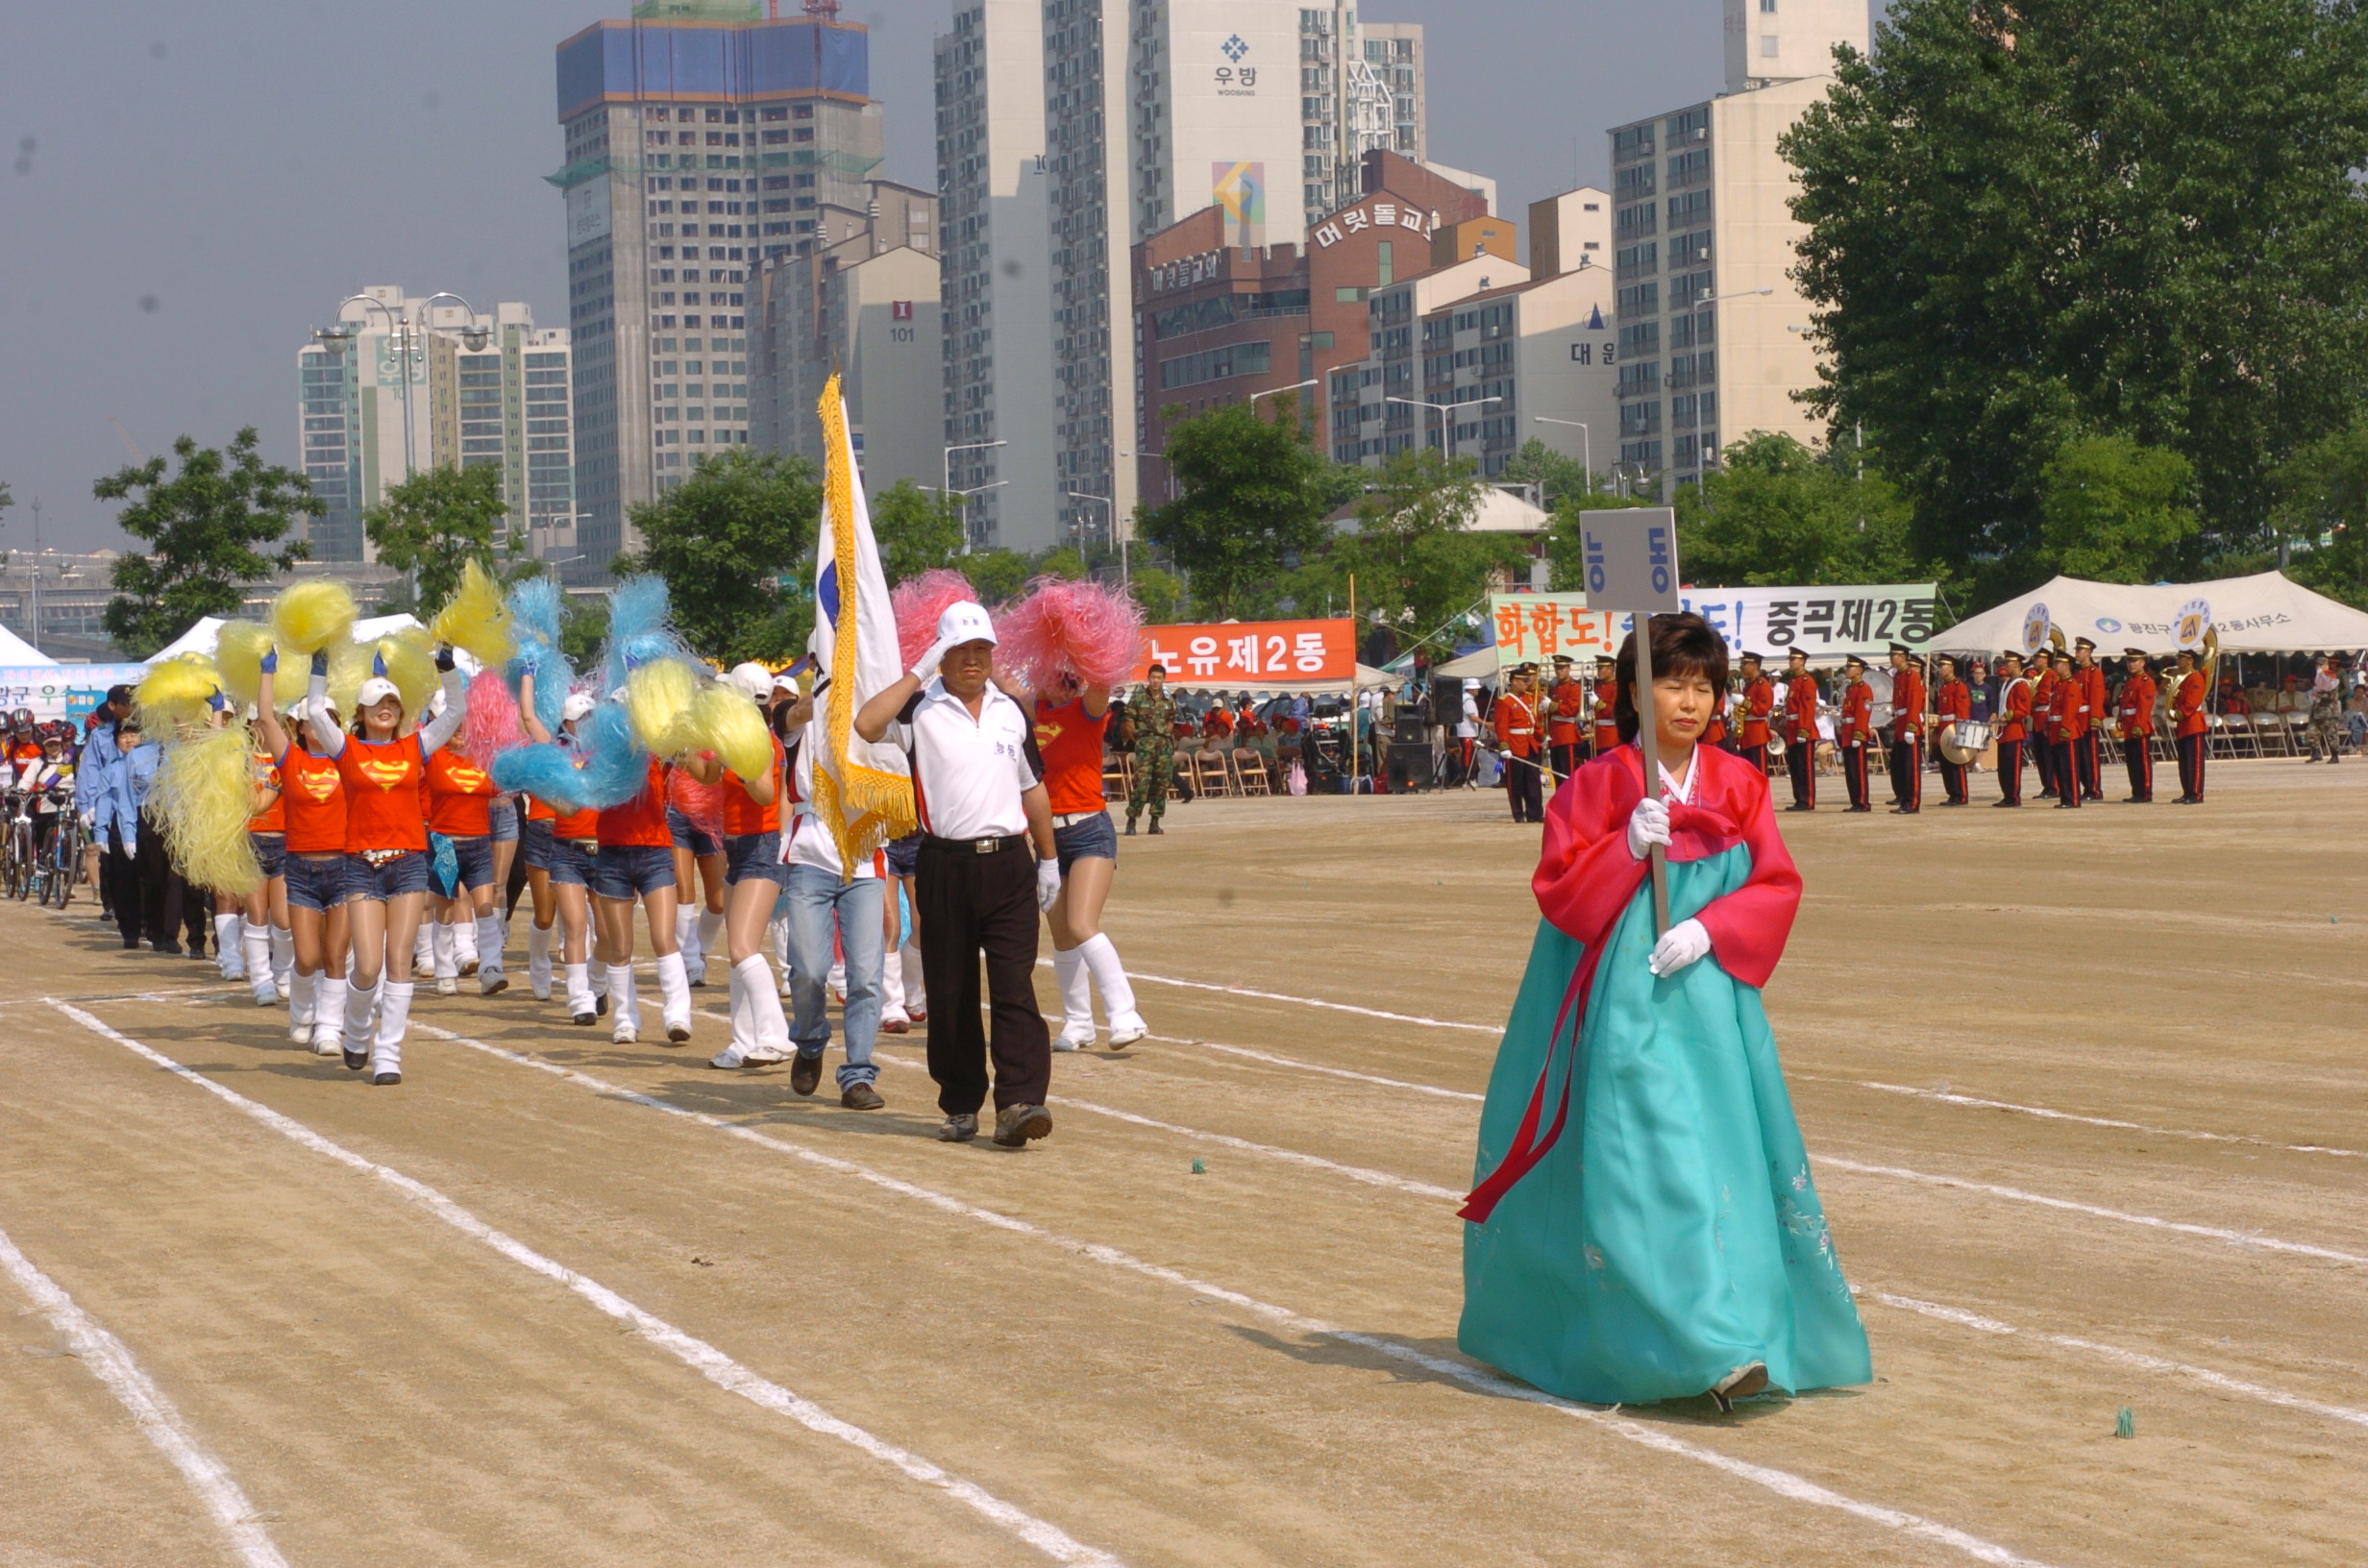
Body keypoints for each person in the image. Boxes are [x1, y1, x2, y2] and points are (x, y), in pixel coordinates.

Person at [1458, 610, 1870, 1410]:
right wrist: (1623, 847)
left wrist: (1712, 926)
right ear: (1634, 693)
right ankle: (1707, 1346)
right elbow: (1561, 896)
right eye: (1672, 683)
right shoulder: (1598, 784)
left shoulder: (1741, 783)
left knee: (1724, 1160)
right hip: (1626, 1011)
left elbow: (1776, 885)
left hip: (1713, 1008)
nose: (1691, 701)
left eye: (1704, 686)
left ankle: (1738, 1327)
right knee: (1655, 1165)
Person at [854, 602, 1061, 1148]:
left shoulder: (1011, 711)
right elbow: (866, 723)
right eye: (959, 651)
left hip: (1009, 864)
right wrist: (919, 671)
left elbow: (1031, 787)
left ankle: (1019, 1102)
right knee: (951, 991)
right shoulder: (918, 711)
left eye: (981, 650)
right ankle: (962, 1103)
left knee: (1015, 985)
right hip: (944, 864)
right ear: (941, 655)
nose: (972, 660)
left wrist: (1049, 857)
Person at [290, 645, 466, 1085]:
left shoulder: (415, 746)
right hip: (361, 867)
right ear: (361, 712)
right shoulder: (344, 748)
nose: (384, 710)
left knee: (398, 960)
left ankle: (388, 1055)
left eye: (391, 704)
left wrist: (446, 669)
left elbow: (455, 711)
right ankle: (356, 1031)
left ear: (400, 711)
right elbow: (314, 708)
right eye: (375, 704)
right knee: (366, 966)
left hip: (407, 864)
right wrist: (319, 668)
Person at [692, 669, 802, 1082]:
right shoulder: (734, 733)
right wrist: (682, 749)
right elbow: (707, 775)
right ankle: (742, 1041)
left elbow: (762, 792)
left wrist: (736, 760)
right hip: (737, 848)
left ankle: (776, 1035)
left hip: (762, 847)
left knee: (741, 948)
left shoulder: (760, 739)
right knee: (742, 950)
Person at [1032, 671, 1148, 1051]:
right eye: (1055, 673)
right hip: (1047, 835)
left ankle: (1125, 1015)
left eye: (1070, 677)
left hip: (1089, 829)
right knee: (1062, 937)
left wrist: (1090, 643)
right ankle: (1079, 1023)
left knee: (1082, 924)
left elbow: (1102, 680)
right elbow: (1001, 678)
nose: (1061, 682)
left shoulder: (1088, 708)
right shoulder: (1031, 710)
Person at [256, 679, 349, 1052]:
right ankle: (301, 1012)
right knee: (307, 957)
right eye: (316, 718)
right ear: (301, 727)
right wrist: (267, 674)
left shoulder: (349, 757)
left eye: (331, 717)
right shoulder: (291, 759)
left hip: (344, 867)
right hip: (301, 870)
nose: (323, 724)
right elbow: (264, 718)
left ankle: (329, 1026)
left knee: (336, 954)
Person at [591, 706, 693, 1047]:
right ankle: (624, 1019)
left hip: (655, 852)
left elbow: (697, 766)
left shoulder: (657, 755)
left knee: (664, 937)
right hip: (612, 855)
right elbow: (577, 799)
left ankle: (678, 1015)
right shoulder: (602, 759)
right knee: (620, 946)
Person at [517, 679, 604, 1025]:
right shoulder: (551, 748)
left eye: (591, 718)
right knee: (548, 916)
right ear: (566, 723)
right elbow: (527, 717)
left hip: (599, 843)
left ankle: (595, 983)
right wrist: (528, 674)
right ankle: (551, 977)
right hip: (548, 835)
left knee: (606, 929)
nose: (587, 725)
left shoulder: (605, 754)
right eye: (580, 719)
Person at [425, 724, 507, 997]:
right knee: (446, 909)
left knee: (485, 906)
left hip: (479, 842)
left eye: (466, 725)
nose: (461, 731)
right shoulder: (433, 756)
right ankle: (446, 970)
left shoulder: (484, 758)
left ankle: (492, 969)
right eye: (455, 725)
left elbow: (500, 790)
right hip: (445, 844)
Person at [237, 721, 290, 1007]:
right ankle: (260, 981)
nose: (266, 731)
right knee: (256, 917)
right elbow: (252, 803)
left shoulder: (290, 757)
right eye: (259, 726)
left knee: (283, 920)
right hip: (252, 841)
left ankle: (282, 975)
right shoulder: (244, 759)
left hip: (285, 842)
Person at [1124, 664, 1176, 835]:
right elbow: (1129, 718)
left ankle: (1155, 821)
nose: (1156, 681)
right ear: (1148, 678)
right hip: (1145, 744)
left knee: (1162, 784)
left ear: (1164, 679)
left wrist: (1166, 732)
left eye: (1159, 678)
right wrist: (1136, 738)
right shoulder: (1139, 696)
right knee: (1142, 783)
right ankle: (1131, 820)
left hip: (1163, 746)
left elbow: (1171, 718)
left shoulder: (1168, 698)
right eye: (1153, 677)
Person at [1494, 664, 1544, 823]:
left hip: (1530, 744)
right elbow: (1501, 725)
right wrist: (1504, 745)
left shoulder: (1528, 698)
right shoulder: (1505, 701)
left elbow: (1533, 721)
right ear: (1514, 681)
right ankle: (1518, 813)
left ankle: (1535, 813)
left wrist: (1542, 736)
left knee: (1533, 780)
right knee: (1516, 782)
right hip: (1515, 745)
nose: (1526, 683)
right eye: (1523, 680)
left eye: (1527, 680)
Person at [1884, 644, 1926, 814]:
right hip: (1901, 723)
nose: (1891, 657)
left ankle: (1913, 803)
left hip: (1910, 725)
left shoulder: (1911, 676)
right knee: (1901, 766)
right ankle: (1905, 800)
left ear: (1903, 657)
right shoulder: (1898, 676)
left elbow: (1915, 703)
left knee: (1911, 768)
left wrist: (1911, 726)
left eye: (1894, 655)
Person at [2043, 651, 2088, 810]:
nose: (2055, 666)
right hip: (2056, 730)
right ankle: (2065, 797)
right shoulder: (2060, 685)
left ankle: (2073, 798)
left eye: (2058, 664)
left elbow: (2070, 710)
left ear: (2067, 665)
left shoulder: (2071, 685)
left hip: (2067, 732)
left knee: (2069, 767)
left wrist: (2065, 728)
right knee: (2060, 767)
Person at [1779, 649, 1817, 811]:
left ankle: (1807, 800)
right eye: (1790, 659)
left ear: (1802, 661)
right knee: (1795, 766)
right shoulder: (1794, 681)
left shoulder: (1807, 681)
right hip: (1793, 728)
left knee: (1805, 767)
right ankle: (1799, 798)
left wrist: (1803, 729)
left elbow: (1807, 708)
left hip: (1803, 730)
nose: (1791, 661)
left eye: (1794, 659)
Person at [1931, 654, 1972, 806]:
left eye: (1943, 666)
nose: (1940, 669)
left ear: (1952, 668)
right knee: (1946, 763)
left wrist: (1960, 732)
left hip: (1953, 727)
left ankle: (1961, 795)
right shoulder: (1944, 687)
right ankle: (1952, 793)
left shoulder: (1958, 686)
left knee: (1956, 762)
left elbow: (1962, 711)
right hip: (1943, 729)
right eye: (1939, 666)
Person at [1992, 651, 2033, 808]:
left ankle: (2014, 796)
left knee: (2012, 766)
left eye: (2008, 663)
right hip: (2004, 731)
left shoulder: (2021, 684)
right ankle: (2007, 794)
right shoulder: (2008, 683)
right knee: (2003, 767)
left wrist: (2008, 716)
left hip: (2014, 730)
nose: (2005, 666)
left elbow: (2024, 709)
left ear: (2016, 664)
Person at [2118, 649, 2158, 800]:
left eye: (2134, 661)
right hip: (2129, 724)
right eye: (2129, 661)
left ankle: (2145, 792)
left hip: (2139, 725)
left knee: (2142, 760)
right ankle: (2136, 791)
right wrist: (2119, 718)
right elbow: (2124, 703)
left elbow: (2144, 706)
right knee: (2132, 761)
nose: (2131, 664)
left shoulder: (2146, 681)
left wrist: (2138, 725)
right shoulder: (2130, 681)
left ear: (2143, 663)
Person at [1836, 654, 1875, 812]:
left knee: (1858, 770)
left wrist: (1858, 734)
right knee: (1851, 770)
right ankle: (1855, 801)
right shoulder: (1850, 688)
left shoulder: (1863, 689)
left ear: (1859, 671)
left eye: (1850, 667)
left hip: (1856, 733)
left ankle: (1863, 802)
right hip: (1847, 731)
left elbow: (1863, 713)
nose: (1847, 670)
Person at [2171, 648, 2209, 803]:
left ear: (2190, 661)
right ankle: (2187, 791)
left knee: (2194, 762)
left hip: (2193, 723)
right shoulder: (2182, 678)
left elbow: (2192, 701)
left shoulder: (2195, 677)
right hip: (2183, 724)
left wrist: (2181, 711)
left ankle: (2196, 793)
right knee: (2185, 761)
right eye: (2178, 657)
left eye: (2182, 658)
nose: (2178, 660)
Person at [2072, 638, 2109, 799]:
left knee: (2090, 757)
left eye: (2080, 651)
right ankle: (2086, 787)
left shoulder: (2095, 672)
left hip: (2088, 718)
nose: (2077, 653)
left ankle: (2094, 789)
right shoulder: (2078, 673)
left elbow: (2096, 696)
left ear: (2088, 653)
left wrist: (2095, 718)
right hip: (2078, 720)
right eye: (2077, 650)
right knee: (2080, 756)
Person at [1544, 655, 1586, 782]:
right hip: (1555, 735)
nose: (1559, 671)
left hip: (1566, 734)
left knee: (1567, 773)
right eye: (1557, 668)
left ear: (1569, 669)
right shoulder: (1555, 687)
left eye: (1562, 668)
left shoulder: (1574, 687)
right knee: (1557, 774)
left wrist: (1551, 706)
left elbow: (1571, 710)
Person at [1735, 651, 1774, 776]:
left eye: (1745, 663)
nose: (1742, 667)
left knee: (1759, 772)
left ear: (1754, 666)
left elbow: (1762, 710)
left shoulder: (1762, 684)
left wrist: (1743, 701)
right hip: (1747, 733)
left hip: (1757, 733)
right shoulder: (1749, 684)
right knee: (1747, 772)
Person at [2030, 650, 2062, 799]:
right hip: (2037, 717)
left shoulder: (2050, 675)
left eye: (2037, 658)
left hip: (2045, 717)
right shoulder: (2038, 676)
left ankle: (2053, 786)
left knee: (2049, 756)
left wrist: (2032, 700)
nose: (2034, 660)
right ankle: (2047, 785)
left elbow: (2045, 697)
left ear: (2045, 659)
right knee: (2041, 757)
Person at [2306, 653, 2345, 764]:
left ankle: (2335, 756)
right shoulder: (2318, 677)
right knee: (2311, 733)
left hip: (2329, 711)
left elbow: (2331, 696)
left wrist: (2318, 695)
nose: (2319, 667)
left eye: (2322, 665)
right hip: (2317, 710)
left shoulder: (2330, 677)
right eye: (2318, 665)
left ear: (2326, 665)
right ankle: (2316, 753)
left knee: (2331, 734)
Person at [1454, 679, 1482, 788]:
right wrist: (1486, 723)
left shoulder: (1465, 698)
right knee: (1468, 756)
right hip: (1467, 731)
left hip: (1467, 731)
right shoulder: (1468, 700)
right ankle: (1469, 777)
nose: (1477, 690)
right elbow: (1473, 717)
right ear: (1471, 689)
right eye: (1475, 688)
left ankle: (1469, 776)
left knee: (1470, 755)